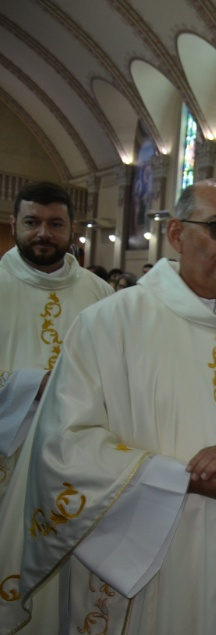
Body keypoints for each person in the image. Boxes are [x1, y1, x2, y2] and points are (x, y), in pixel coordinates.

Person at [0, 179, 216, 634]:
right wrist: (179, 479)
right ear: (176, 234)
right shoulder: (109, 322)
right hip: (148, 561)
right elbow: (66, 445)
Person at [0, 181, 113, 511]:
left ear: (73, 229)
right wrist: (32, 385)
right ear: (13, 224)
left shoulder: (101, 294)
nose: (43, 233)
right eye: (32, 222)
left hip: (76, 457)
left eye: (56, 224)